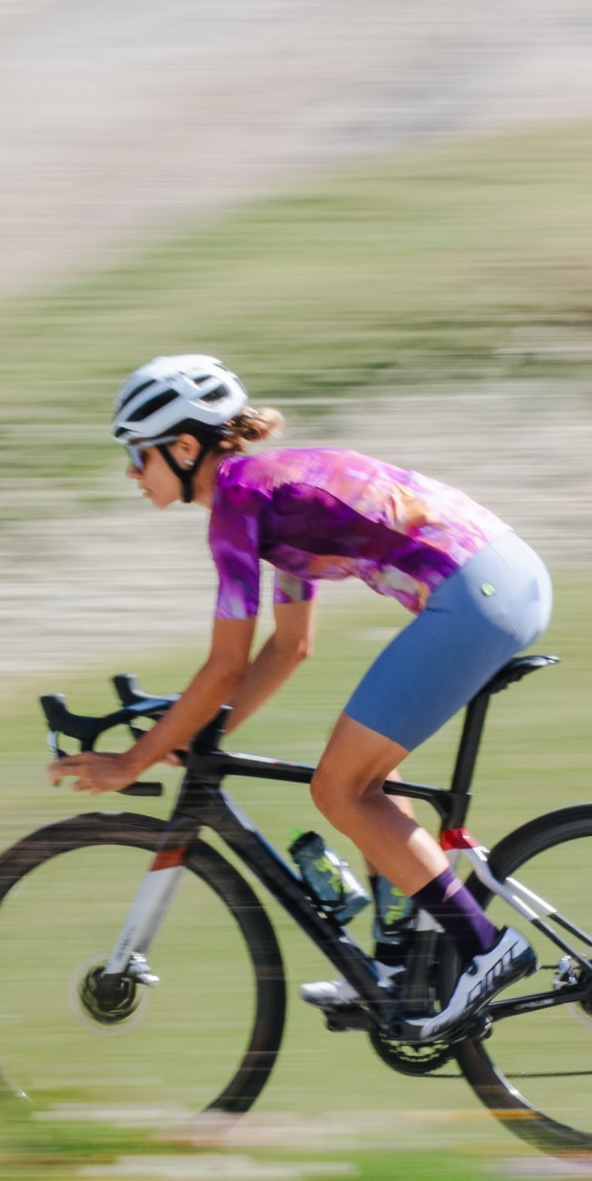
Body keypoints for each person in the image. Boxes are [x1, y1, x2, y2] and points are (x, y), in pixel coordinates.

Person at [50, 354, 551, 1039]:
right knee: (368, 769)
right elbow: (289, 646)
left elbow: (226, 665)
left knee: (338, 788)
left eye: (139, 455)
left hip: (477, 596)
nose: (132, 473)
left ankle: (486, 948)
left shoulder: (236, 506)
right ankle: (398, 966)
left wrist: (132, 761)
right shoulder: (273, 493)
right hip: (504, 578)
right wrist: (197, 735)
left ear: (185, 447)